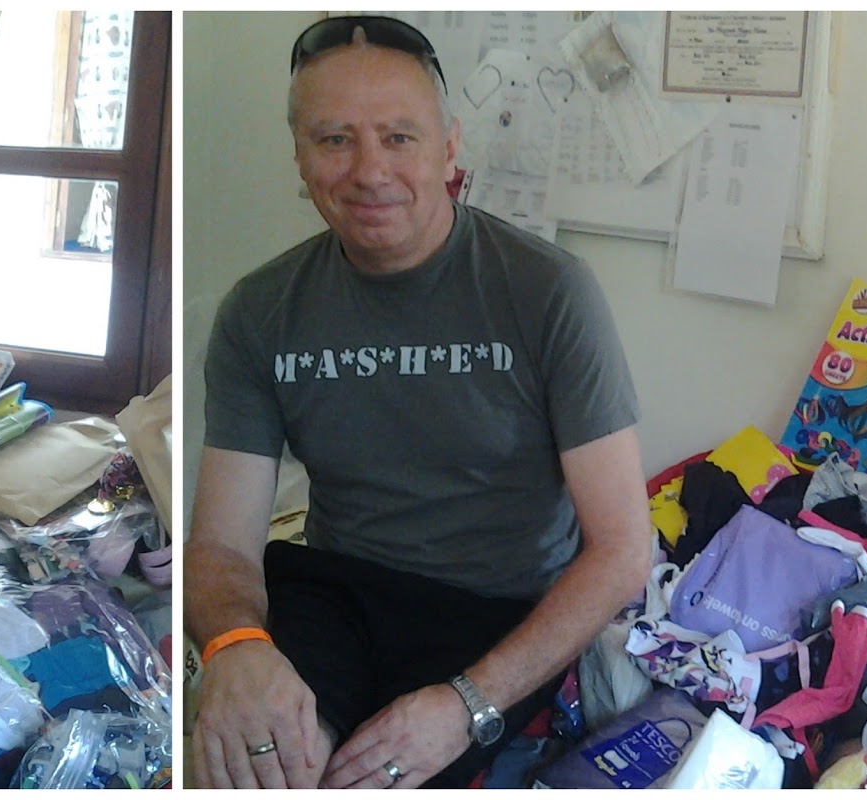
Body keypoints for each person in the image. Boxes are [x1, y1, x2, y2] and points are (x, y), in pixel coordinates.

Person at [186, 16, 654, 790]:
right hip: (336, 590)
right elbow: (223, 547)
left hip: (500, 612)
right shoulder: (259, 311)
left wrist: (467, 705)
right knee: (254, 768)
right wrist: (235, 647)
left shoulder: (548, 291)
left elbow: (623, 550)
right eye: (335, 139)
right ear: (299, 154)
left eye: (399, 137)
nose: (369, 171)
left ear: (449, 147)